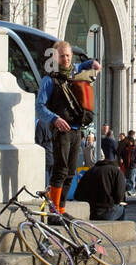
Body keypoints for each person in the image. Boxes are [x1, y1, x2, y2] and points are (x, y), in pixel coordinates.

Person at [35, 41, 100, 216]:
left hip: (76, 129)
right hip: (61, 130)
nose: (66, 59)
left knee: (71, 171)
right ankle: (54, 211)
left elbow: (85, 64)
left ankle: (61, 209)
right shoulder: (49, 79)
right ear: (55, 57)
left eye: (68, 56)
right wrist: (55, 119)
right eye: (62, 56)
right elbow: (40, 107)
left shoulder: (74, 71)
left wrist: (93, 63)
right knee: (60, 169)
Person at [73, 136, 127, 221]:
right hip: (107, 210)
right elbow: (119, 195)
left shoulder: (90, 171)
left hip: (91, 211)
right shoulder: (117, 172)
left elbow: (77, 195)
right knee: (122, 210)